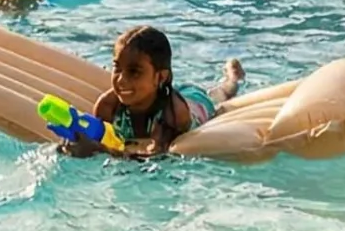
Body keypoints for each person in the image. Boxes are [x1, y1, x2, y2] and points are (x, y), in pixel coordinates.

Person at [69, 26, 244, 158]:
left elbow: (157, 158)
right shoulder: (107, 106)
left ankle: (232, 79)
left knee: (219, 96)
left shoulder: (174, 114)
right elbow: (104, 137)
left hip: (194, 105)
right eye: (117, 68)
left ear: (160, 77)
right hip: (161, 91)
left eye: (134, 71)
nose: (121, 79)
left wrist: (100, 150)